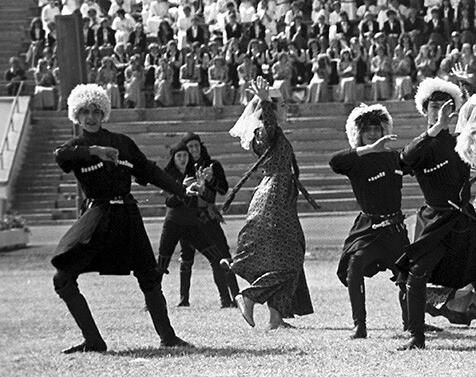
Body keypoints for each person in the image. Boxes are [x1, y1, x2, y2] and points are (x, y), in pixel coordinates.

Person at [52, 84, 195, 353]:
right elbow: (60, 155)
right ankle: (94, 341)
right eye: (84, 112)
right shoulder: (77, 146)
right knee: (62, 278)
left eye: (96, 111)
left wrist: (183, 190)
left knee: (149, 277)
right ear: (76, 115)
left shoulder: (122, 143)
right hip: (97, 219)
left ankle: (168, 337)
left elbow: (150, 171)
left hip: (127, 216)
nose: (90, 117)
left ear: (104, 113)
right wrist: (95, 151)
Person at [395, 79, 476, 350]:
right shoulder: (422, 145)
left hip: (463, 218)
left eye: (446, 106)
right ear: (425, 110)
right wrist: (436, 128)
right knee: (417, 275)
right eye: (434, 106)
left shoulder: (459, 141)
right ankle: (416, 336)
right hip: (435, 219)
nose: (440, 110)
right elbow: (403, 160)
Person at [223, 77, 319, 330]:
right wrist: (266, 102)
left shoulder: (269, 133)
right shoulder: (264, 132)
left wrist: (268, 103)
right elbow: (270, 126)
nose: (287, 109)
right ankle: (249, 296)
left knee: (288, 255)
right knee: (291, 260)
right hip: (274, 197)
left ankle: (276, 318)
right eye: (283, 106)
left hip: (279, 195)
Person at [329, 104, 411, 339]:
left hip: (395, 229)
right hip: (369, 228)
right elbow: (334, 162)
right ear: (359, 134)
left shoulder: (394, 158)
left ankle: (411, 322)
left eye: (377, 129)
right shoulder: (356, 161)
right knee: (355, 268)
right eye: (367, 130)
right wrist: (367, 149)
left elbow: (417, 160)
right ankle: (360, 326)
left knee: (408, 274)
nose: (373, 134)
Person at [156, 133, 238, 308]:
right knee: (186, 257)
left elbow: (221, 190)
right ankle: (183, 299)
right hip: (186, 218)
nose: (193, 150)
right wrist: (184, 189)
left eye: (196, 146)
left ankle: (233, 297)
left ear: (201, 146)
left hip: (206, 216)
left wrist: (209, 180)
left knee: (221, 254)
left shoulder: (211, 165)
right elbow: (169, 198)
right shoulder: (181, 169)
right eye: (189, 147)